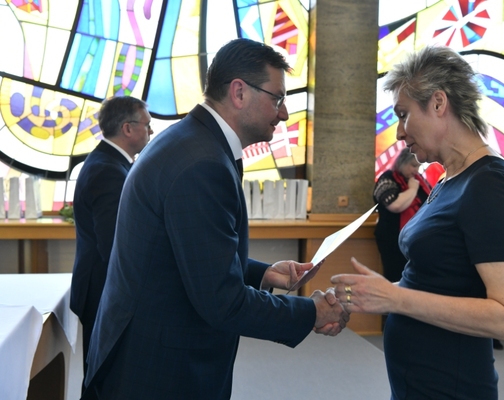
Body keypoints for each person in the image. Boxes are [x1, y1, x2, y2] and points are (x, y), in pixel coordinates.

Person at [82, 38, 349, 400]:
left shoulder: (194, 141)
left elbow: (187, 253)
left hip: (152, 350)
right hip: (159, 369)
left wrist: (262, 274)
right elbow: (222, 301)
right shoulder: (202, 162)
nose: (284, 113)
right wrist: (310, 312)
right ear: (239, 92)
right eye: (277, 98)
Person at [331, 45, 504, 399]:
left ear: (438, 103)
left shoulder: (489, 184)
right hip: (419, 380)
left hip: (451, 385)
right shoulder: (448, 178)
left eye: (403, 115)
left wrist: (395, 298)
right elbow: (441, 280)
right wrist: (376, 294)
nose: (399, 133)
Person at [70, 95, 152, 387]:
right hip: (104, 289)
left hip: (103, 285)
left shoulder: (111, 163)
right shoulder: (108, 170)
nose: (151, 131)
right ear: (128, 128)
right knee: (106, 378)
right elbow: (114, 245)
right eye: (147, 125)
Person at [373, 147, 430, 284]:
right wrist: (413, 189)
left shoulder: (419, 180)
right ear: (402, 162)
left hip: (416, 238)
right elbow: (396, 205)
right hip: (392, 238)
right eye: (413, 165)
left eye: (419, 166)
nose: (416, 170)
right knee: (395, 275)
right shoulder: (387, 179)